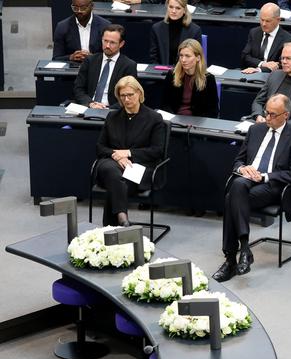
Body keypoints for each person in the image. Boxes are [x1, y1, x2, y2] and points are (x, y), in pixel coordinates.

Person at [212, 94, 291, 282]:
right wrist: (242, 168)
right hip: (247, 181)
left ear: (286, 115)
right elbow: (238, 160)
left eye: (273, 114)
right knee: (239, 184)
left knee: (231, 196)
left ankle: (231, 259)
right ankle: (244, 250)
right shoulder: (255, 130)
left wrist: (264, 176)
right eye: (266, 113)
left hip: (273, 186)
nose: (268, 118)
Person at [94, 76, 165, 227]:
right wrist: (117, 156)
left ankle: (112, 226)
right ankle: (122, 218)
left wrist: (128, 153)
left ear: (139, 93)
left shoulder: (154, 118)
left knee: (116, 180)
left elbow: (157, 151)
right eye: (122, 95)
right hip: (111, 163)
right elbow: (100, 147)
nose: (126, 99)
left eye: (130, 95)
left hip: (139, 167)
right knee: (111, 170)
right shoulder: (112, 116)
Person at [73, 24, 138, 109]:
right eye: (105, 41)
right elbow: (78, 88)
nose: (107, 46)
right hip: (89, 107)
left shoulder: (128, 65)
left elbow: (129, 96)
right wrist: (90, 104)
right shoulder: (90, 60)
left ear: (121, 44)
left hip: (112, 110)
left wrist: (108, 109)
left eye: (112, 42)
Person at [161, 38, 219, 118]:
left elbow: (213, 110)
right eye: (181, 56)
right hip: (174, 121)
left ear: (198, 58)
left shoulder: (208, 79)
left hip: (198, 124)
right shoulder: (172, 75)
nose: (183, 60)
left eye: (187, 56)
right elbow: (164, 104)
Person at [241, 3, 291, 73]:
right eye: (262, 20)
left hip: (272, 78)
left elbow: (281, 65)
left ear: (278, 20)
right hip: (249, 74)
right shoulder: (254, 32)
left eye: (268, 21)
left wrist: (259, 70)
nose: (263, 24)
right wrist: (263, 64)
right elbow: (245, 56)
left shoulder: (288, 40)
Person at [149, 0, 202, 65]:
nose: (173, 11)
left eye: (178, 8)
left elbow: (196, 58)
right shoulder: (157, 28)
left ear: (184, 10)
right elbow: (153, 58)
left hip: (185, 71)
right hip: (161, 72)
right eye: (171, 7)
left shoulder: (194, 30)